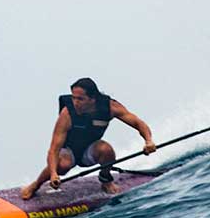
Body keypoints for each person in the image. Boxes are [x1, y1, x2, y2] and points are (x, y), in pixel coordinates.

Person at [21, 77, 157, 200]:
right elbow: (53, 150)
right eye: (73, 98)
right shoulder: (67, 114)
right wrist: (53, 174)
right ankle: (36, 185)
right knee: (62, 165)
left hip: (90, 151)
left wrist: (148, 141)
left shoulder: (110, 107)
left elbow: (138, 123)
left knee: (106, 149)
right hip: (69, 151)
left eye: (80, 99)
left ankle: (105, 180)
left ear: (92, 99)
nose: (75, 103)